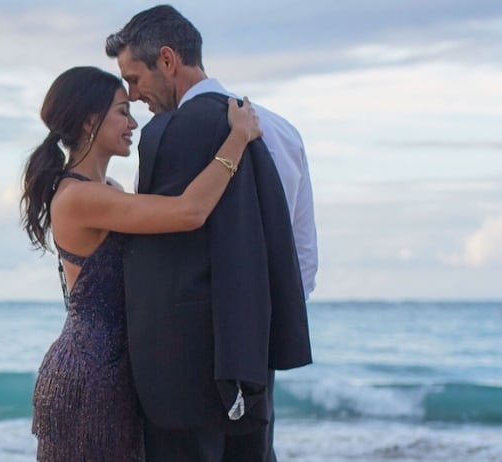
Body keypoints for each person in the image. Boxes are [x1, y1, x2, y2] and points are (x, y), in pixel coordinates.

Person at [106, 5, 317, 461]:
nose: (133, 94)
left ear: (168, 60)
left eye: (134, 78)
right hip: (255, 354)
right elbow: (300, 257)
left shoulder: (168, 132)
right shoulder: (282, 130)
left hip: (181, 364)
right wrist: (255, 325)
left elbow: (161, 254)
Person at [21, 65, 261, 461]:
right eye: (121, 111)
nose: (133, 121)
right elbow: (189, 212)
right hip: (90, 376)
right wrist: (238, 137)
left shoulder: (106, 191)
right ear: (89, 121)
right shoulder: (81, 198)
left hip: (112, 371)